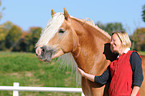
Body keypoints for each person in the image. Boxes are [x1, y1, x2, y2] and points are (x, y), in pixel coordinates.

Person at [78, 31, 144, 96]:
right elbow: (101, 79)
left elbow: (138, 79)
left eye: (113, 40)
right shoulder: (113, 63)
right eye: (111, 41)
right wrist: (84, 74)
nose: (111, 43)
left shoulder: (133, 56)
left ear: (122, 40)